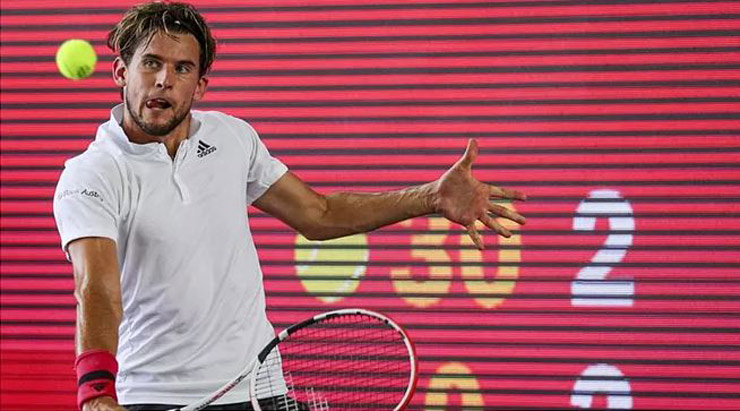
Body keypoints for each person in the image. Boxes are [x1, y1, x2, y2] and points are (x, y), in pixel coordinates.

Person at [53, 2, 527, 410]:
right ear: (121, 72)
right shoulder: (92, 174)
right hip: (154, 393)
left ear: (199, 86)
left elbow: (318, 215)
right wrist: (96, 392)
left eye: (182, 69)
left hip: (259, 387)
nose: (163, 81)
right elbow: (97, 288)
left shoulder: (232, 137)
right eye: (151, 64)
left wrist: (430, 197)